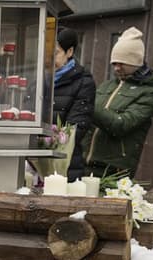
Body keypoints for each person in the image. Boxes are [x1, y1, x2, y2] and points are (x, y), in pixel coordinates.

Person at [85, 27, 153, 178]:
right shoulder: (107, 85)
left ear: (136, 62)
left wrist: (88, 105)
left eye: (122, 63)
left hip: (114, 170)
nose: (116, 68)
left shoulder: (150, 92)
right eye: (114, 63)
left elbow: (121, 125)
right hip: (86, 163)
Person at [52, 28, 96, 181]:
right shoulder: (39, 80)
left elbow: (75, 129)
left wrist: (45, 141)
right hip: (33, 161)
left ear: (69, 52)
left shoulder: (84, 83)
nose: (48, 59)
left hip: (66, 164)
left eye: (55, 53)